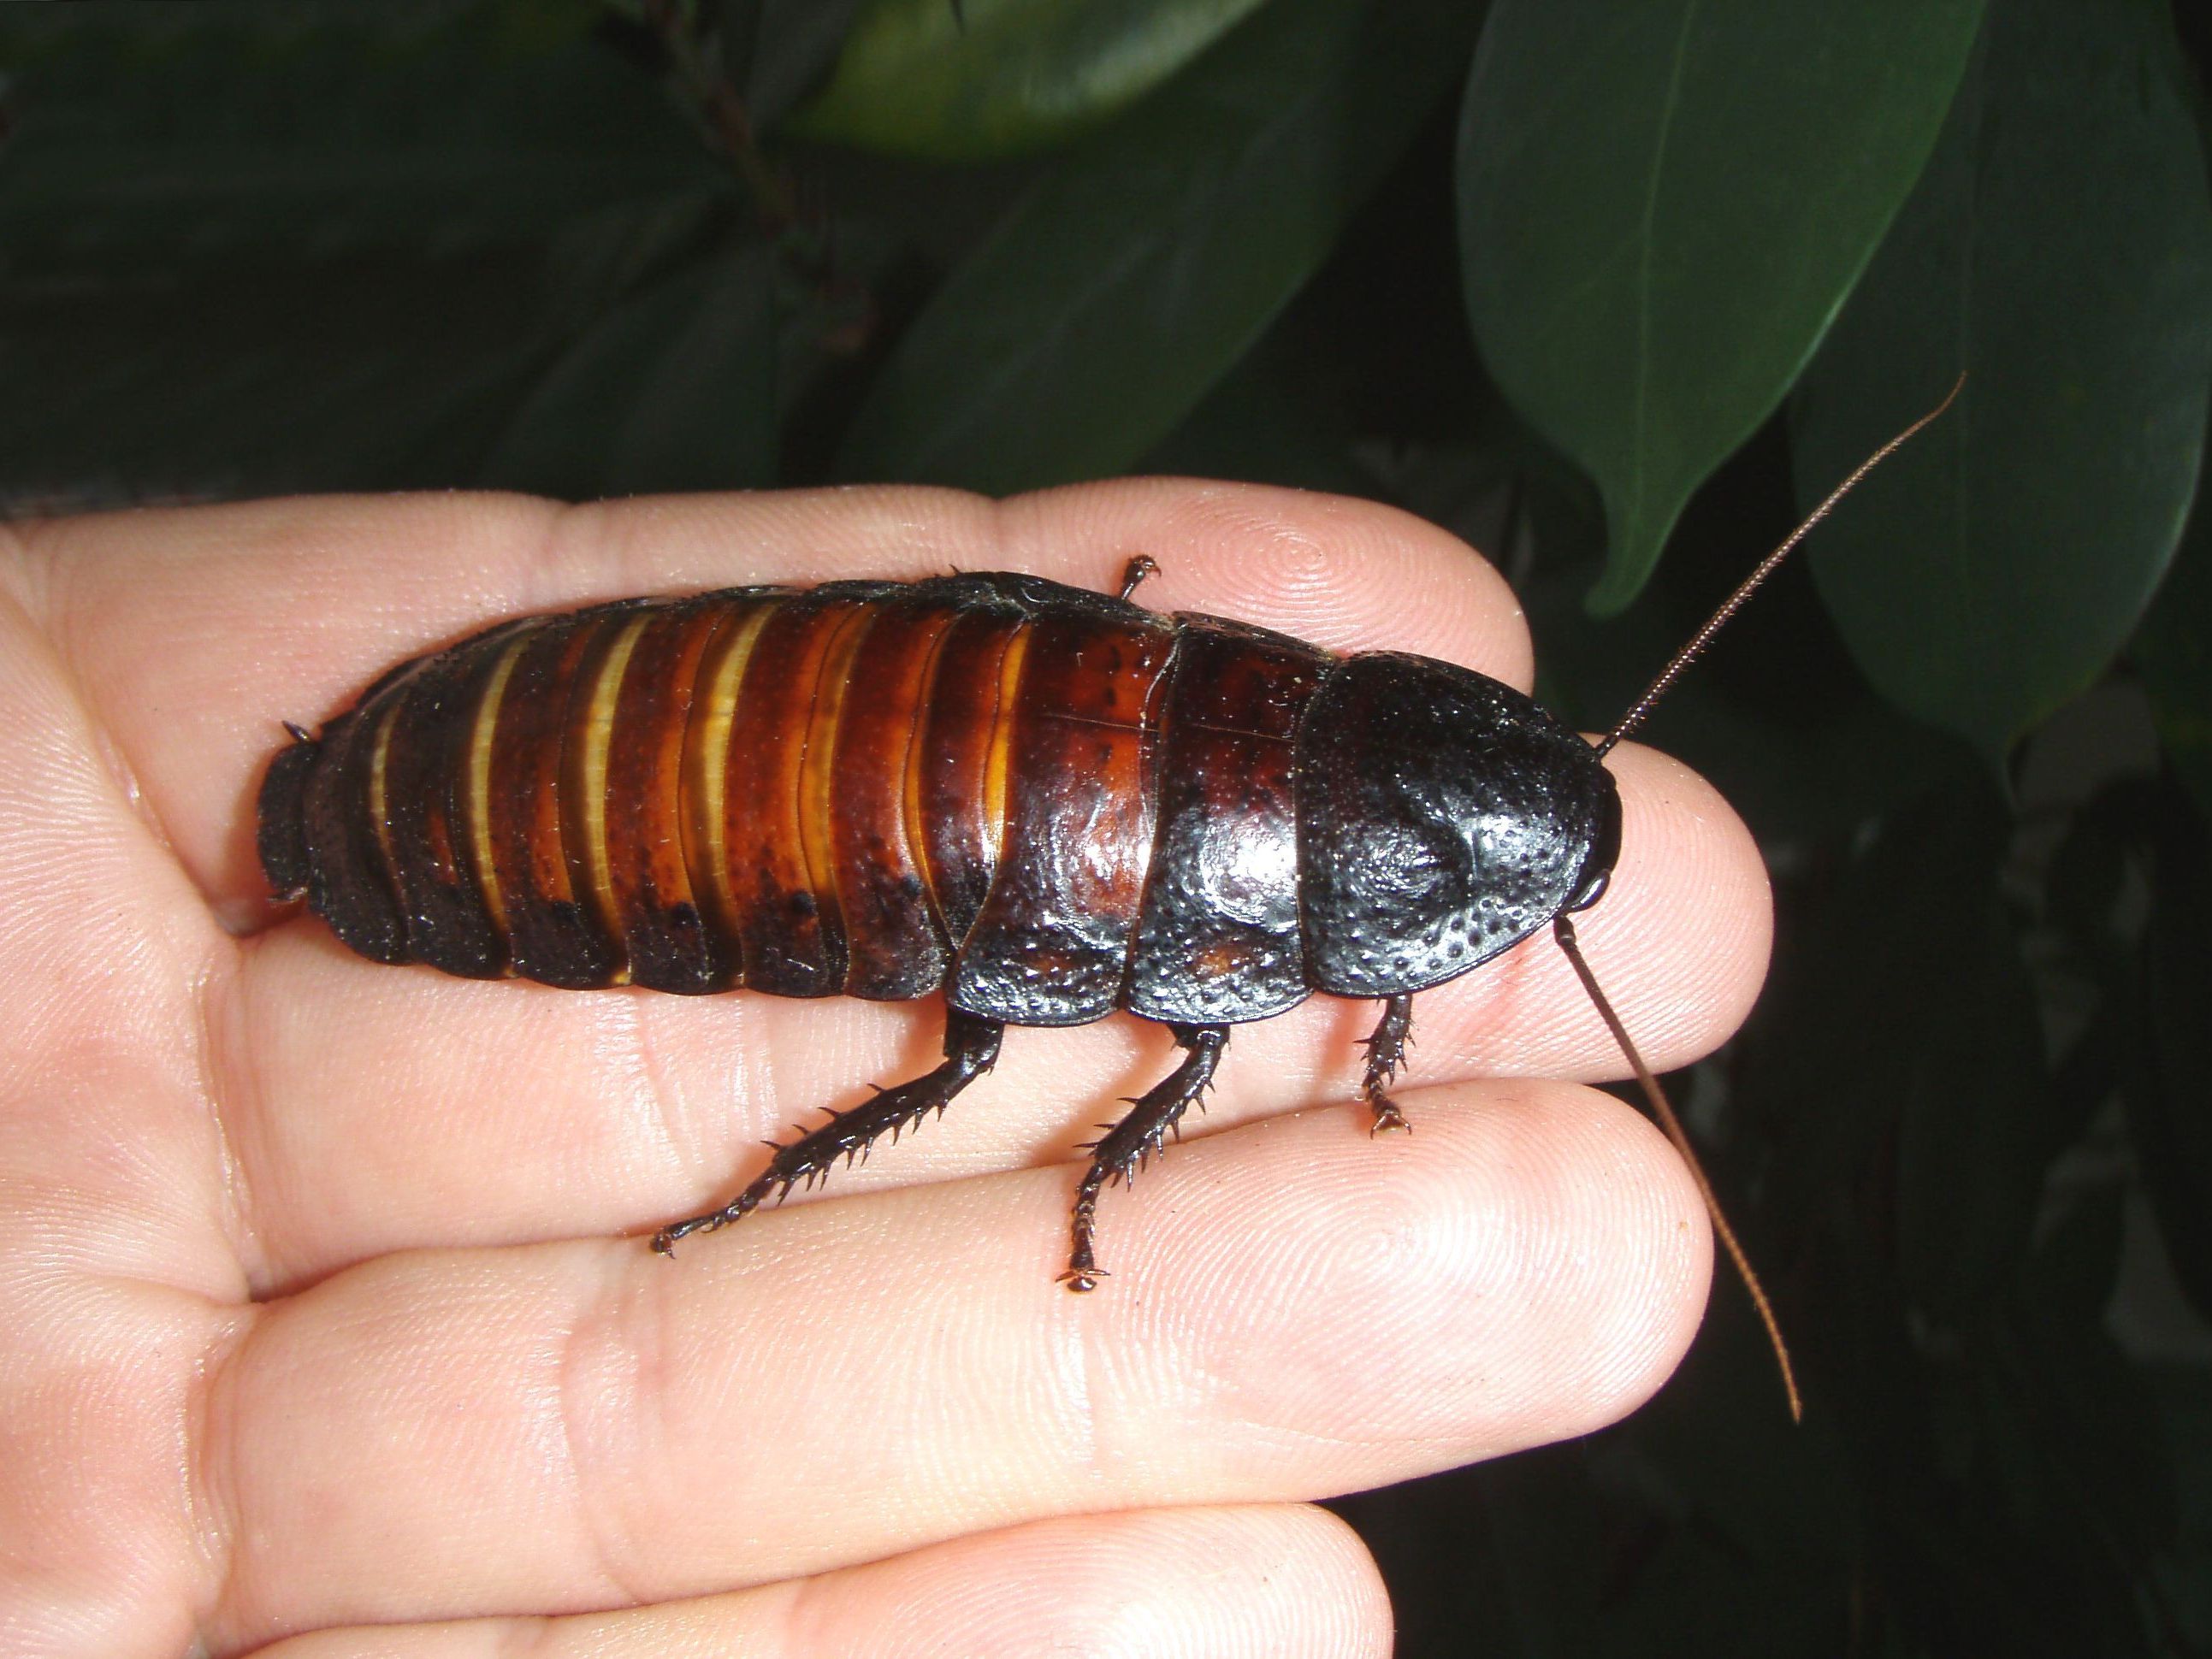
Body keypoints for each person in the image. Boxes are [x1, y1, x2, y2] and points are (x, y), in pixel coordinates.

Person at [0, 480, 1766, 1656]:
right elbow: (1247, 1011)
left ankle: (759, 1169)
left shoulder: (1260, 749)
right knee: (961, 1047)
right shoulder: (1251, 946)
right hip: (660, 743)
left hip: (824, 703)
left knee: (967, 1019)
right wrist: (1196, 1133)